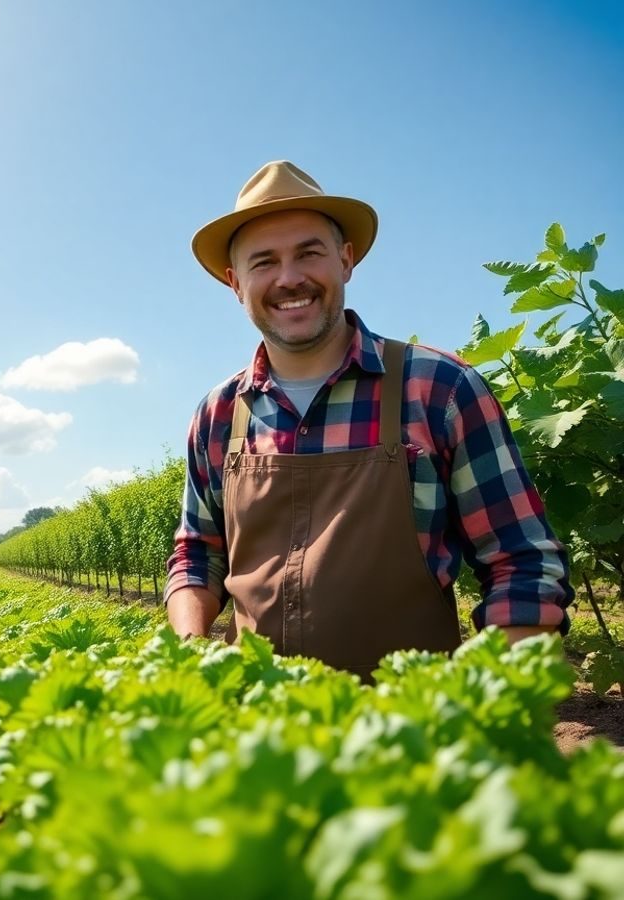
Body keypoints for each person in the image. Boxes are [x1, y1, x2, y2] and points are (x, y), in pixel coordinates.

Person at [164, 160, 572, 677]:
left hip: (413, 735)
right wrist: (185, 651)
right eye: (263, 262)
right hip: (256, 734)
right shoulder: (218, 414)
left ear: (346, 260)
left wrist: (491, 697)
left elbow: (520, 560)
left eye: (309, 253)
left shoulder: (438, 388)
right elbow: (197, 555)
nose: (289, 278)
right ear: (235, 283)